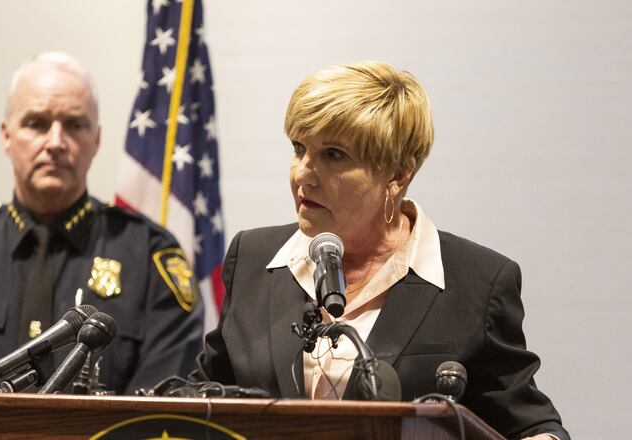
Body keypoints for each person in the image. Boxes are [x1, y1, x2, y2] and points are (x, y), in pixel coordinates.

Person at [195, 61, 569, 440]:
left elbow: (532, 425)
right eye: (299, 148)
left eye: (334, 155)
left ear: (397, 174)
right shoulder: (253, 259)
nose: (303, 174)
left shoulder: (478, 283)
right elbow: (203, 395)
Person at [0, 52, 204, 439]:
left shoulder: (150, 259)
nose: (55, 142)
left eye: (74, 125)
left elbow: (164, 404)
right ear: (6, 134)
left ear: (96, 139)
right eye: (37, 123)